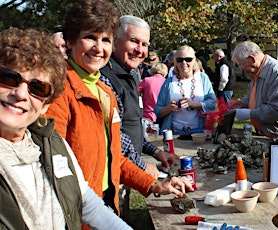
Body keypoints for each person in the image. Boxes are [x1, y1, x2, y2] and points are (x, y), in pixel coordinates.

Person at [45, 0, 193, 220]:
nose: (98, 48)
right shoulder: (57, 92)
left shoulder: (103, 91)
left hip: (105, 201)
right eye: (89, 38)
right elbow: (55, 170)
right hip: (76, 211)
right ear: (69, 40)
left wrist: (153, 184)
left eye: (105, 39)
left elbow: (112, 154)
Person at [0, 26, 133, 230]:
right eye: (9, 78)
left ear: (46, 104)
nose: (21, 94)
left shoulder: (50, 141)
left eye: (38, 88)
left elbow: (87, 203)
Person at [100, 15, 174, 177]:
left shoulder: (132, 74)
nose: (140, 50)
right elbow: (113, 133)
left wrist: (154, 152)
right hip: (112, 170)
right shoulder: (105, 77)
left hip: (128, 167)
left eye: (144, 44)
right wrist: (142, 165)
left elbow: (131, 125)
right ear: (115, 41)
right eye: (133, 41)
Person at [232, 41, 278, 140]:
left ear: (252, 59)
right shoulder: (256, 72)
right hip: (264, 133)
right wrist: (242, 103)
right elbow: (255, 96)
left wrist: (249, 114)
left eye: (242, 65)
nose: (241, 69)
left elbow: (277, 109)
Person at [154, 45, 216, 134]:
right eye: (179, 60)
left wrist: (194, 104)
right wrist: (169, 108)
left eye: (188, 59)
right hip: (174, 132)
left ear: (194, 60)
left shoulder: (203, 78)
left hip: (199, 132)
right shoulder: (169, 82)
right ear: (175, 62)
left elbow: (212, 103)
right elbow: (157, 110)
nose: (184, 62)